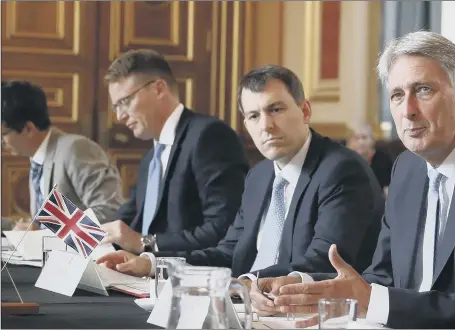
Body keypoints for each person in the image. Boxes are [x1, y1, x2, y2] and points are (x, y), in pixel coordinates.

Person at [251, 31, 455, 329]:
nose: (408, 111)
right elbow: (381, 278)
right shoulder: (407, 168)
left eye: (423, 90)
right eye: (397, 95)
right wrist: (301, 286)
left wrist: (372, 300)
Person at [97, 64, 384, 281]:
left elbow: (323, 263)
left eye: (276, 109)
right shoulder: (259, 177)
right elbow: (228, 254)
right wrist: (152, 264)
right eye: (254, 116)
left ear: (305, 111)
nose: (266, 126)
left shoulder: (341, 170)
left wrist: (245, 285)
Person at [100, 49, 249, 255]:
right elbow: (127, 223)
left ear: (159, 89)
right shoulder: (150, 159)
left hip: (189, 279)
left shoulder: (209, 136)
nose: (119, 116)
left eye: (124, 102)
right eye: (116, 107)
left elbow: (223, 229)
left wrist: (146, 243)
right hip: (143, 276)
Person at [1, 80, 124, 230]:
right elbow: (40, 225)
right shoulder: (38, 158)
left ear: (28, 128)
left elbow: (110, 212)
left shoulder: (75, 149)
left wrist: (43, 234)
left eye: (3, 135)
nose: (1, 143)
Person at [346, 122, 393, 194]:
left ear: (372, 140)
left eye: (364, 137)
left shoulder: (384, 160)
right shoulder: (346, 161)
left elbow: (388, 189)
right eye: (356, 138)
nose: (360, 142)